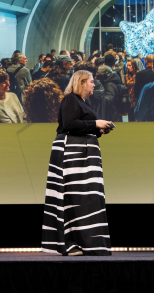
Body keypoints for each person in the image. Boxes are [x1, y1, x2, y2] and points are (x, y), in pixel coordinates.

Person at [41, 70, 114, 256]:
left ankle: (86, 242)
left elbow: (81, 125)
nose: (94, 85)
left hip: (83, 151)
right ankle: (70, 243)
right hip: (72, 151)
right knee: (74, 197)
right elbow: (69, 125)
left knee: (87, 197)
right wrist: (96, 124)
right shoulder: (70, 99)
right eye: (91, 82)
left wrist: (99, 129)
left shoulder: (82, 102)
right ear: (81, 83)